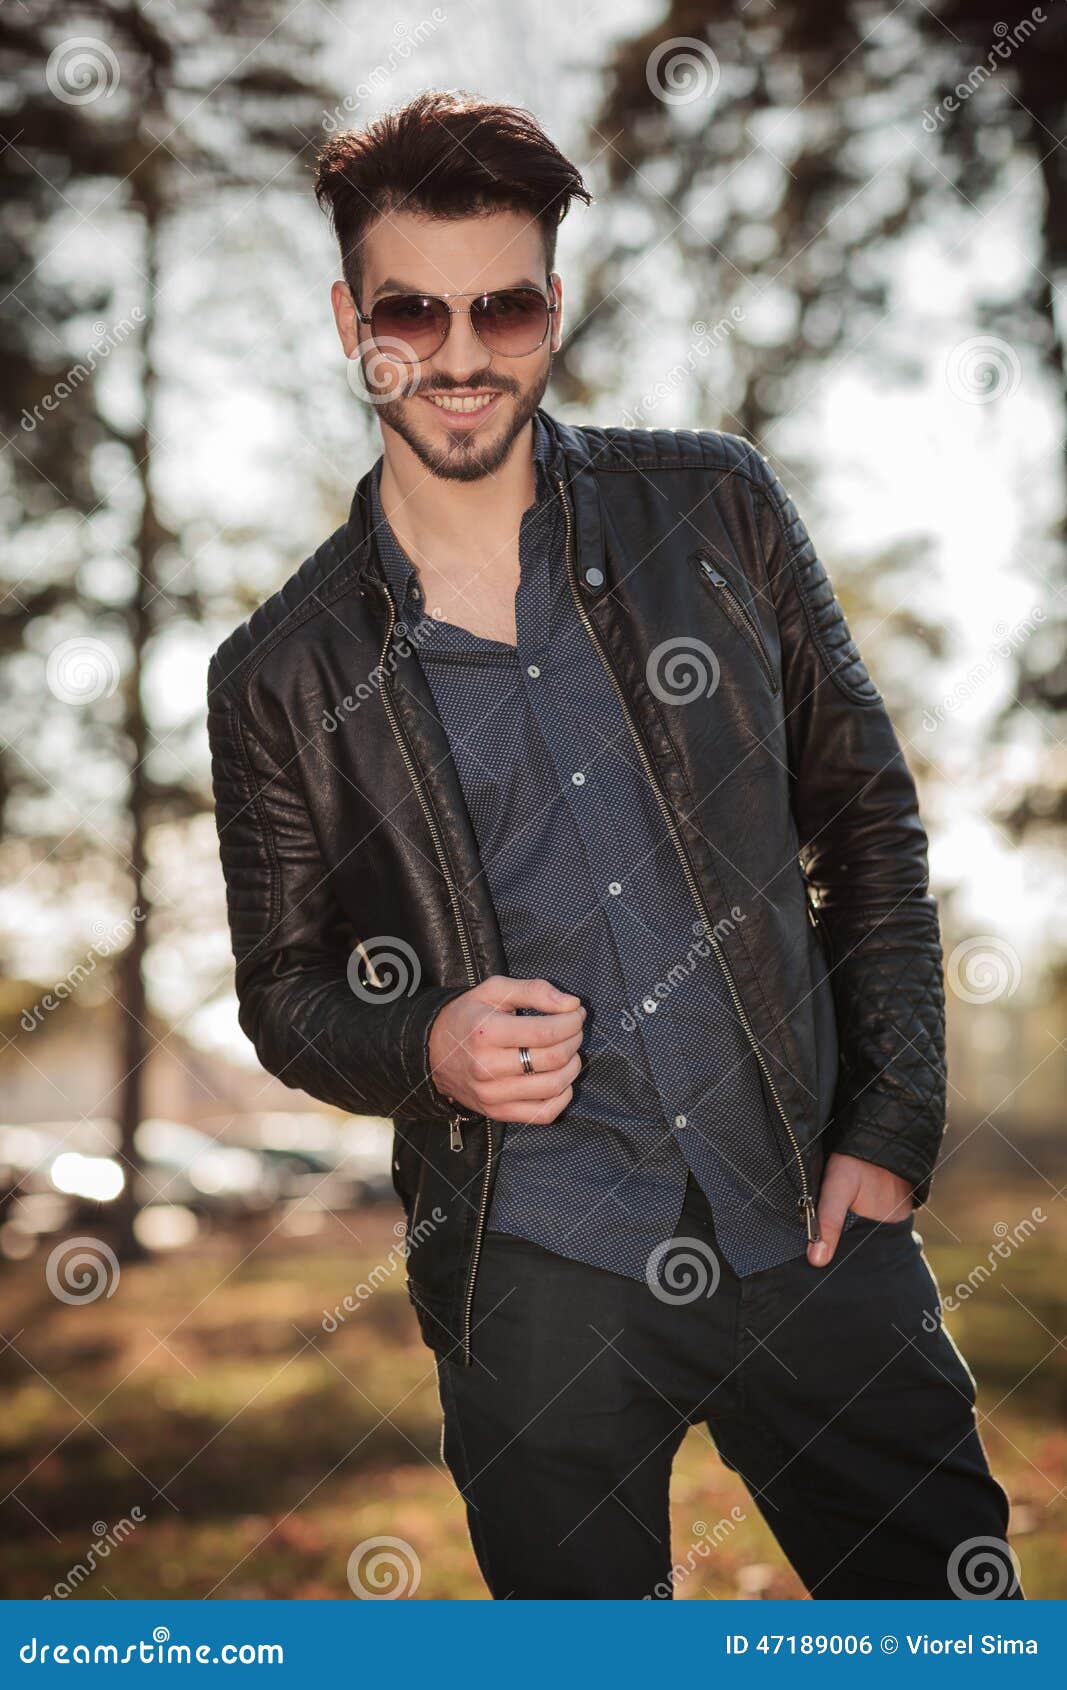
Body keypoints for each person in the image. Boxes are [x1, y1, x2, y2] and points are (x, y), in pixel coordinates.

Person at [207, 90, 1021, 1601]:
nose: (461, 356)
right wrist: (427, 1043)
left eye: (504, 307)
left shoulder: (713, 505)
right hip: (537, 1278)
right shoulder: (277, 673)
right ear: (350, 319)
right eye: (413, 310)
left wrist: (893, 1125)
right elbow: (284, 990)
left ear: (554, 309)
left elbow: (866, 819)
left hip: (815, 1230)